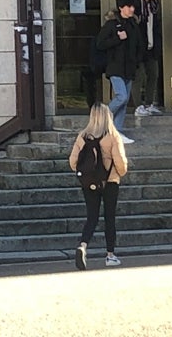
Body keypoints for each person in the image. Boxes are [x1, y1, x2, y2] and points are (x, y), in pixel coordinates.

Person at [68, 102, 129, 269]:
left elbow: (73, 161)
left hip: (89, 182)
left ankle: (83, 245)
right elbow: (121, 162)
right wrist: (119, 172)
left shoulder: (83, 136)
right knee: (110, 217)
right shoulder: (112, 135)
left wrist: (87, 173)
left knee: (91, 217)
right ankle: (110, 255)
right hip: (110, 182)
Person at [96, 0, 143, 143]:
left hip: (129, 67)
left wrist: (137, 60)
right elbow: (100, 44)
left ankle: (117, 131)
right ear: (121, 8)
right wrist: (117, 38)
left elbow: (139, 45)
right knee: (121, 96)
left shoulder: (134, 25)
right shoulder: (112, 24)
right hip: (115, 66)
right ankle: (102, 117)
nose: (132, 9)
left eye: (133, 6)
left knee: (124, 100)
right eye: (129, 6)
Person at [132, 0, 163, 116]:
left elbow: (155, 25)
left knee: (153, 74)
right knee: (138, 76)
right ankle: (138, 105)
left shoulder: (154, 5)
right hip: (138, 46)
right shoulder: (134, 3)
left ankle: (149, 103)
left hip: (151, 46)